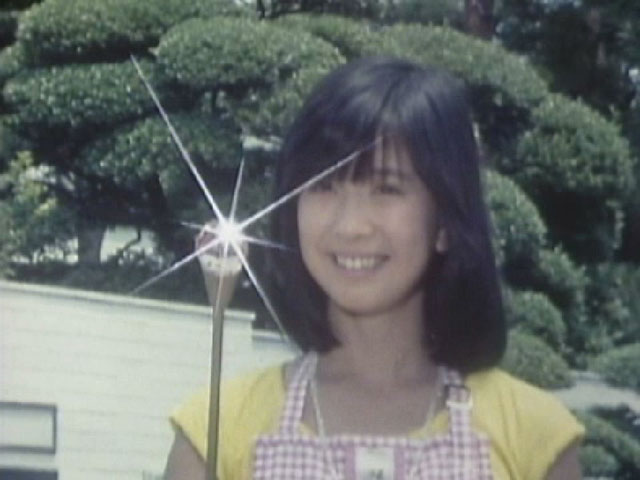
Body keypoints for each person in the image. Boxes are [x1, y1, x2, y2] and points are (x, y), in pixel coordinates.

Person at [165, 57, 584, 480]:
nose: (351, 226)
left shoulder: (533, 435)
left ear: (445, 220)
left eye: (386, 188)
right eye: (324, 186)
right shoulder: (217, 428)